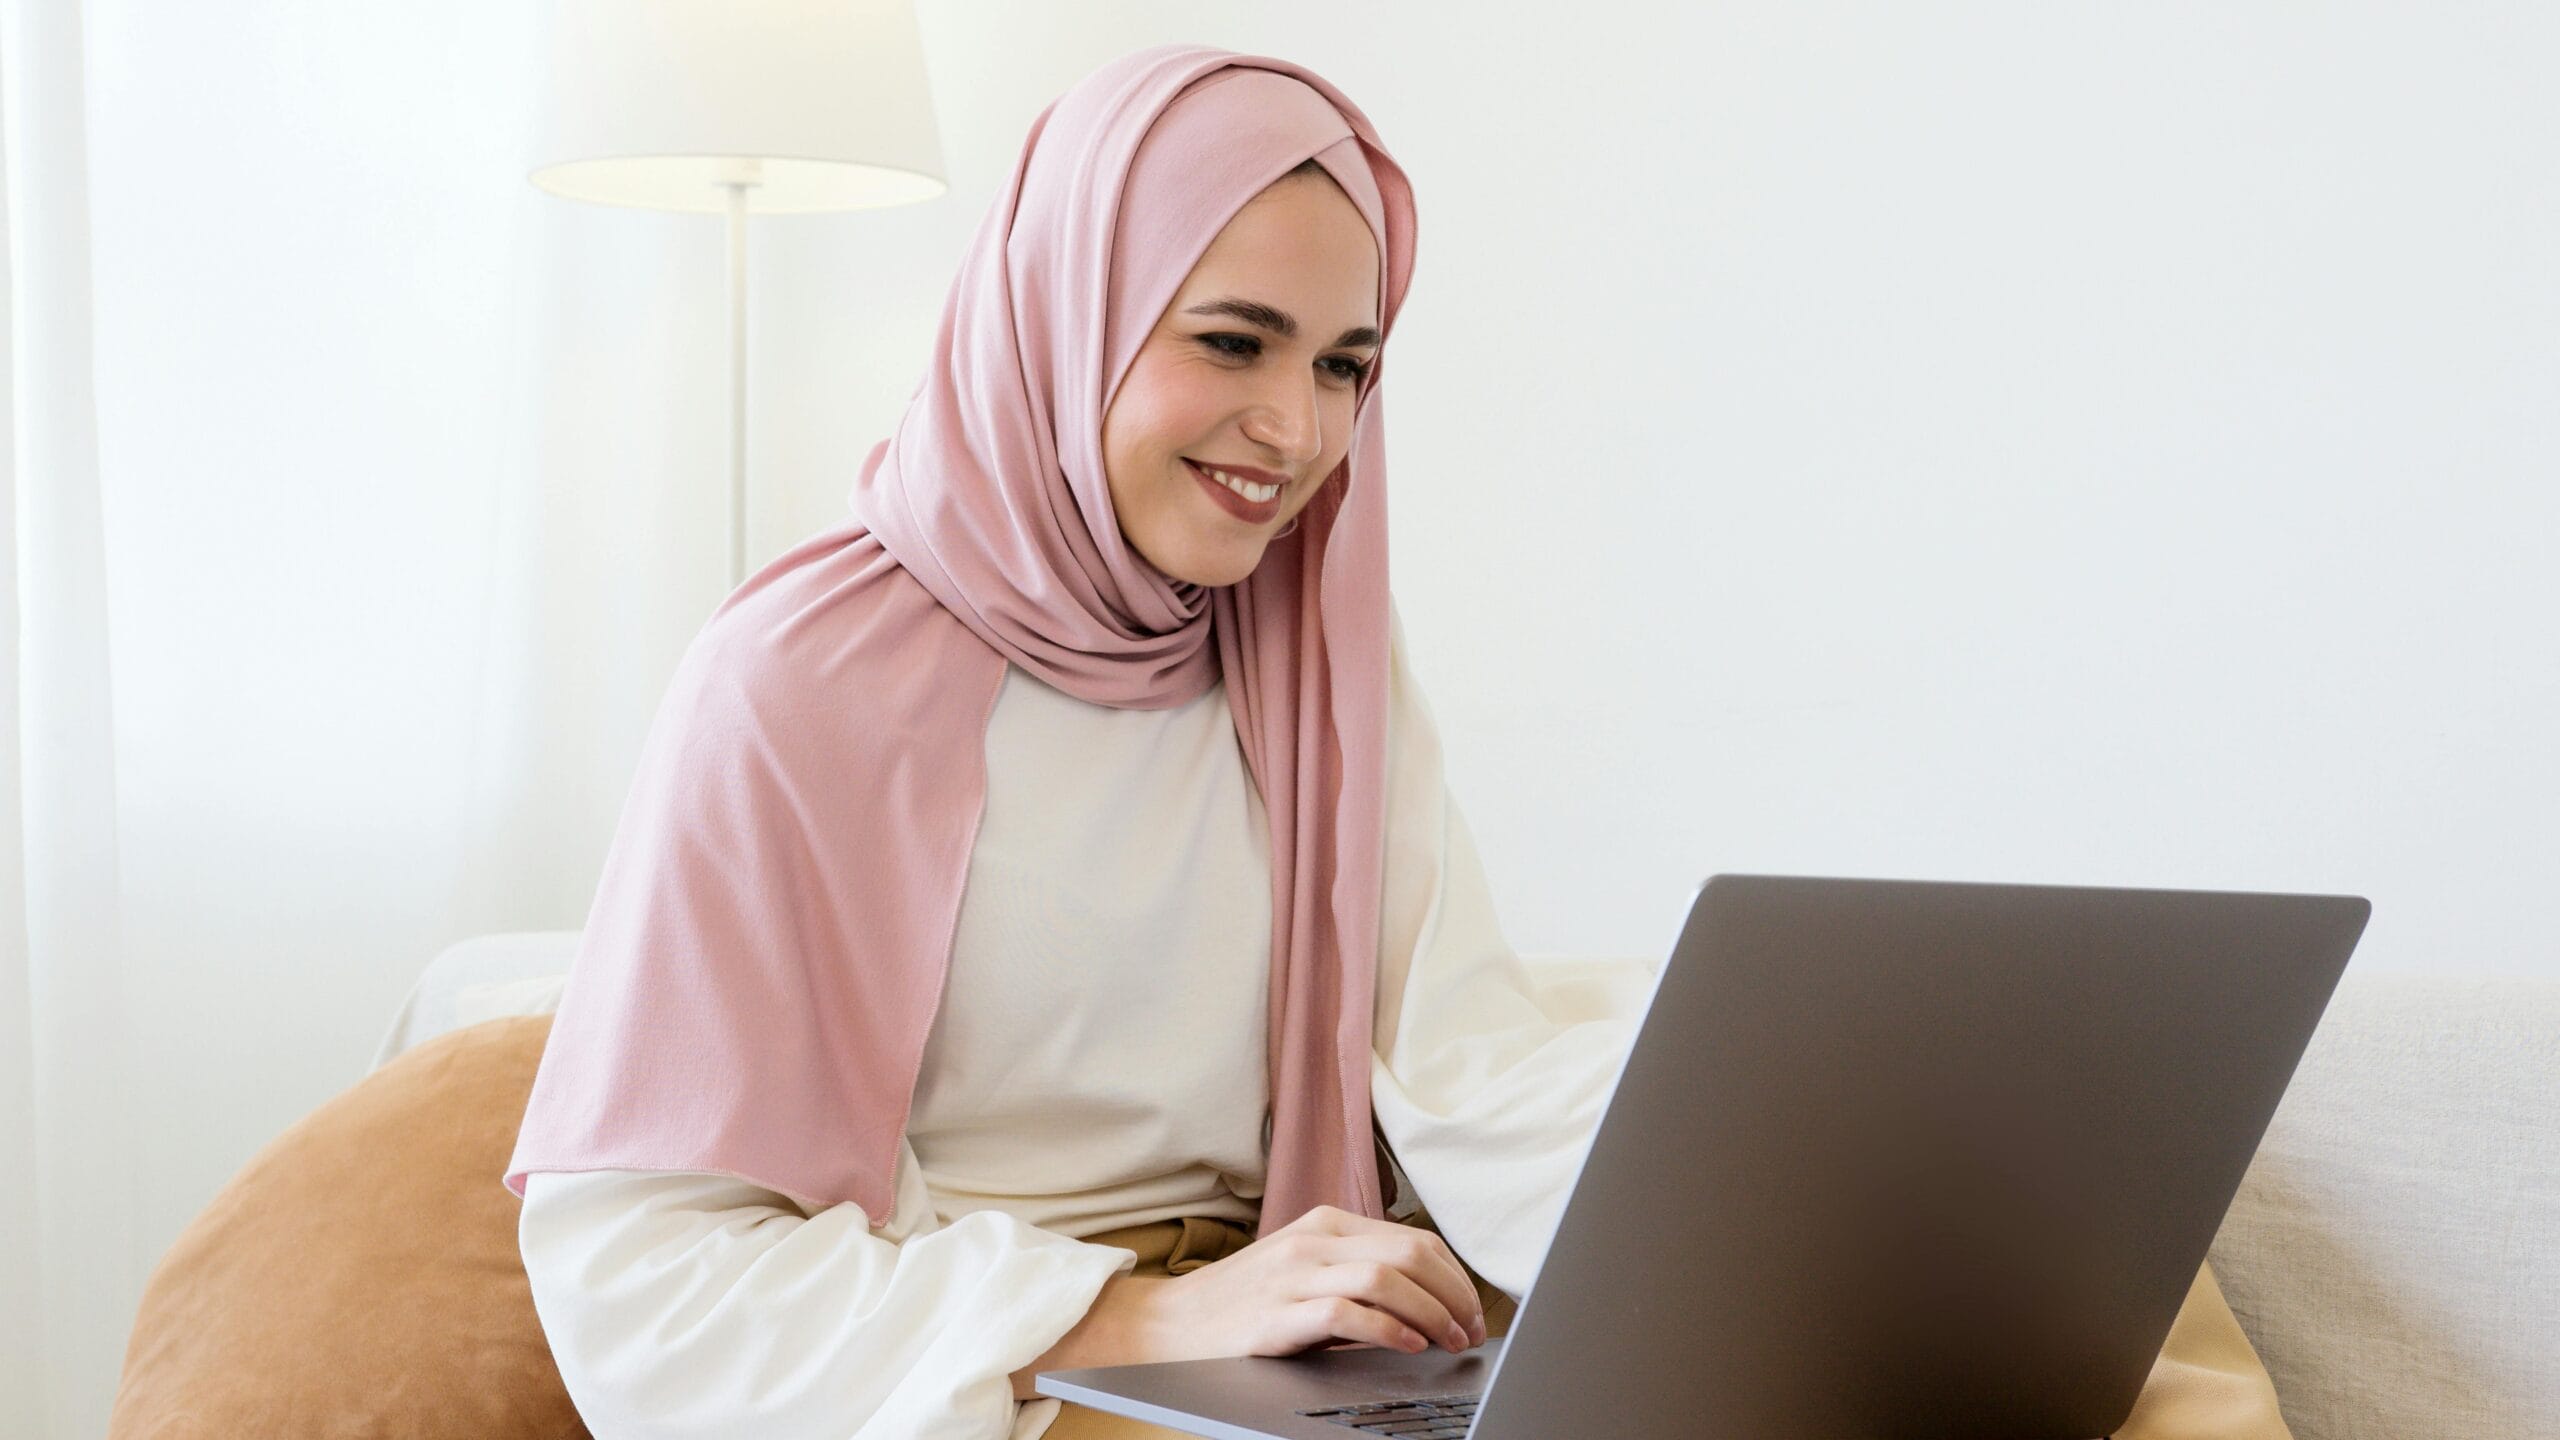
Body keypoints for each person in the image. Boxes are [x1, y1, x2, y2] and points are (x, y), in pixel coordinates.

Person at [501, 43, 2298, 1440]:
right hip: (994, 1372)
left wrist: (1861, 1169)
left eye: (1347, 366)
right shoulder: (799, 684)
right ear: (1061, 319)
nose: (1296, 433)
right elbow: (641, 1279)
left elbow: (1458, 1067)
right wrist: (1129, 1317)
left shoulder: (1310, 652)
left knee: (2091, 1326)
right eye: (1233, 343)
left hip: (1309, 1335)